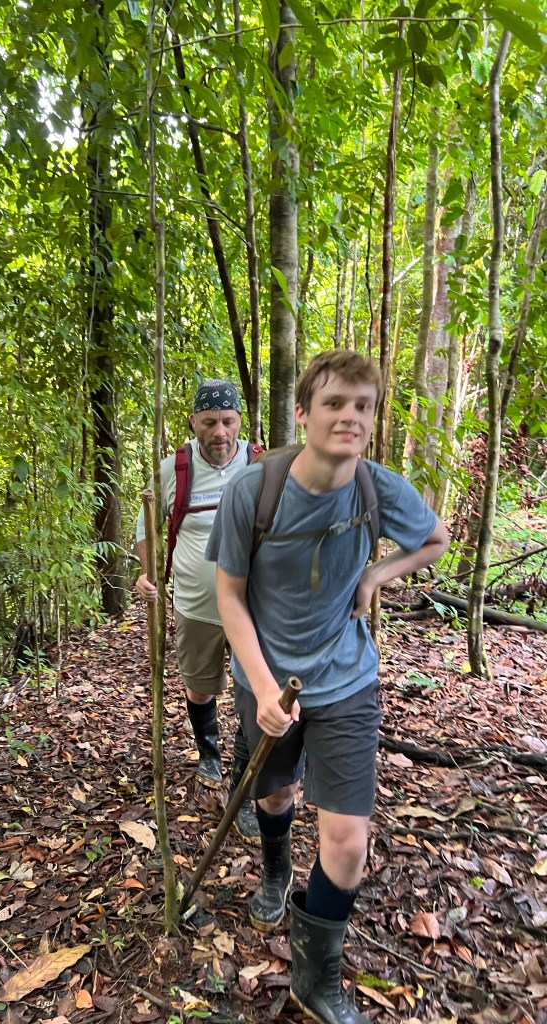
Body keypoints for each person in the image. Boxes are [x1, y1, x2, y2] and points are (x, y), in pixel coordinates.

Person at [206, 350, 450, 1022]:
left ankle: (315, 979)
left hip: (347, 678)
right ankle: (276, 871)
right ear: (303, 412)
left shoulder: (378, 488)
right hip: (266, 676)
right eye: (335, 403)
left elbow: (435, 538)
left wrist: (375, 576)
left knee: (347, 839)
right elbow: (229, 597)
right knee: (276, 793)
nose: (350, 417)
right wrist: (263, 688)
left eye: (363, 406)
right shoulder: (254, 491)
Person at [135, 379, 260, 843]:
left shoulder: (260, 465)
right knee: (200, 688)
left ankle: (245, 790)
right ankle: (209, 752)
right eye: (209, 422)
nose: (220, 432)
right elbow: (146, 527)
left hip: (254, 610)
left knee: (254, 699)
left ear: (240, 421)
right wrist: (146, 573)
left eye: (228, 421)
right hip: (196, 605)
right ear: (193, 422)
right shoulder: (174, 468)